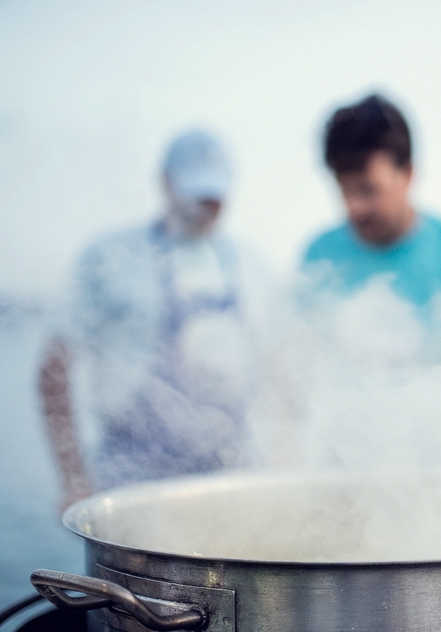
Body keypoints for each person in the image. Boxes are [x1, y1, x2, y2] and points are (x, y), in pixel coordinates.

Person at [39, 130, 276, 510]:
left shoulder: (250, 263)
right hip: (129, 484)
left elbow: (279, 371)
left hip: (233, 481)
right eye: (197, 193)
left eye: (215, 196)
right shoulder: (111, 257)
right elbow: (54, 368)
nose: (208, 206)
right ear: (166, 184)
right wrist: (73, 480)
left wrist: (281, 465)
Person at [302, 94, 441, 349]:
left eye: (368, 190)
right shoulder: (319, 259)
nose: (355, 207)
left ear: (407, 174)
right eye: (345, 190)